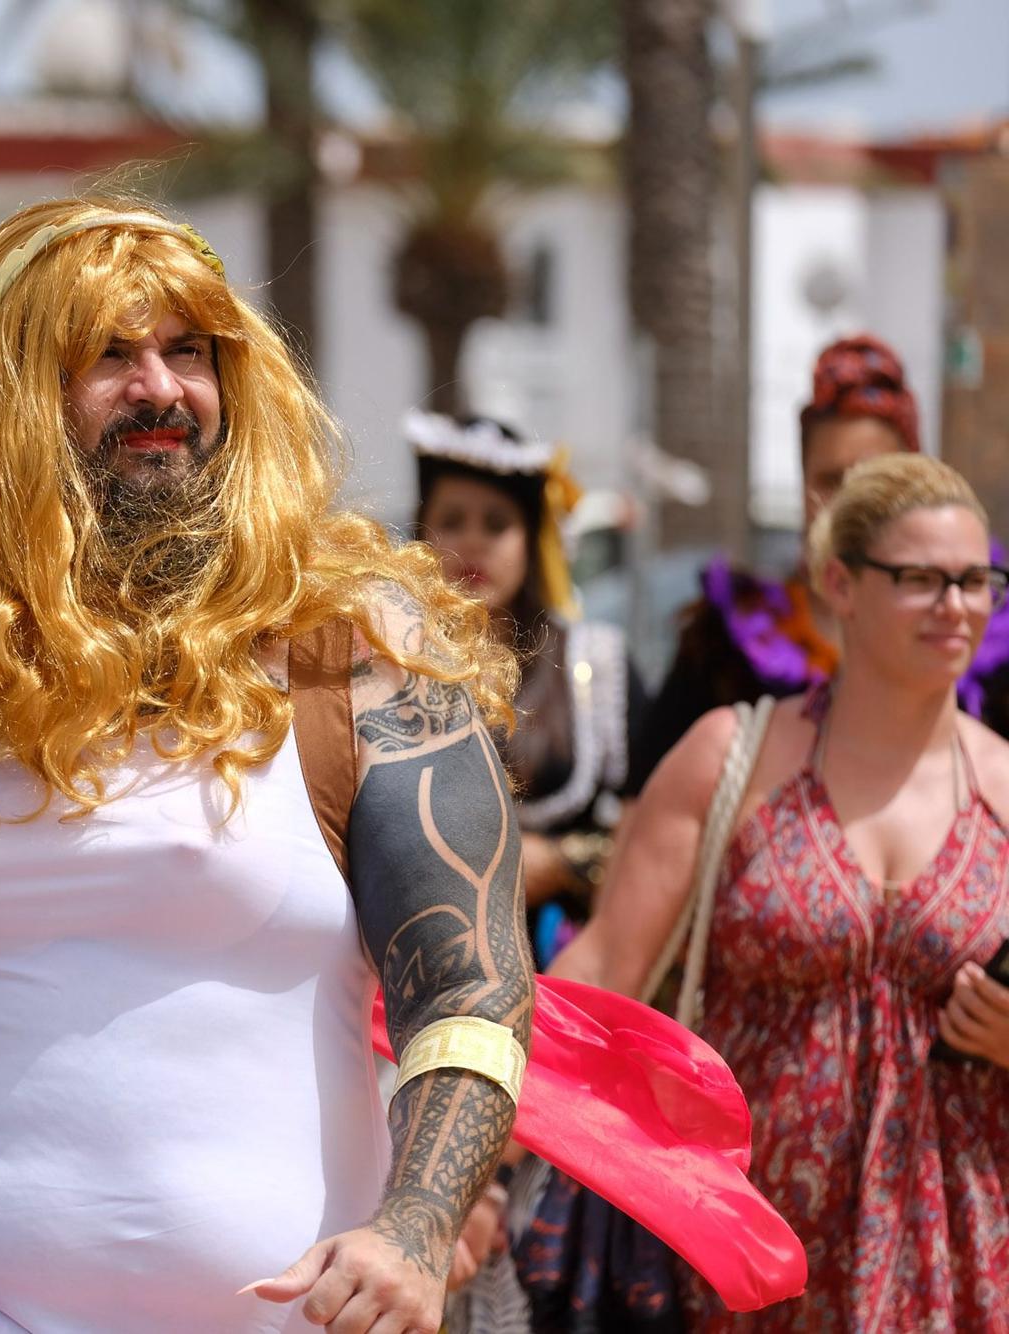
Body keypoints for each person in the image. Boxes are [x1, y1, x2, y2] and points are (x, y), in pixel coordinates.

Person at [0, 200, 536, 1333]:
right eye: (108, 356)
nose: (160, 388)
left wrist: (413, 1227)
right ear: (9, 398)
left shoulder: (357, 653)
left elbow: (470, 987)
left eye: (189, 350)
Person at [553, 453, 1009, 1328]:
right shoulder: (731, 756)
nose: (956, 606)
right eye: (920, 579)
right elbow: (602, 971)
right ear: (840, 582)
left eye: (976, 580)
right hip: (743, 1254)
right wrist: (458, 1140)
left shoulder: (1002, 788)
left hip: (964, 1257)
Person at [641, 334, 1009, 768]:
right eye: (830, 480)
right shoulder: (724, 649)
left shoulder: (975, 634)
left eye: (873, 479)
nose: (847, 503)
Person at [410, 411, 646, 971]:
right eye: (452, 520)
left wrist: (566, 862)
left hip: (569, 969)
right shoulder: (383, 663)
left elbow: (650, 831)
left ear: (530, 540)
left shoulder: (596, 664)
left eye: (497, 524)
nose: (473, 541)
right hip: (420, 964)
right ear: (421, 533)